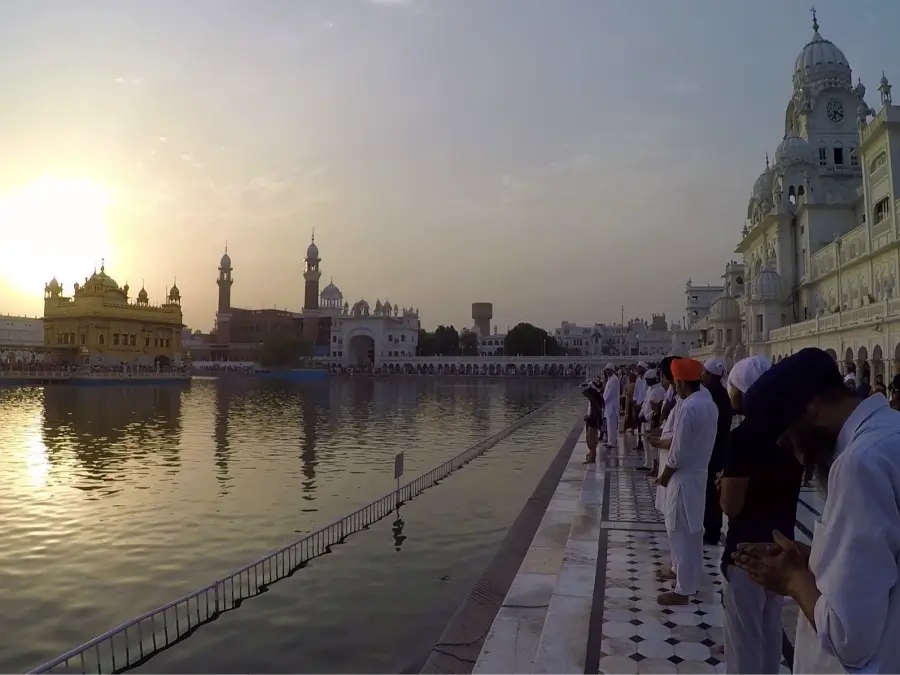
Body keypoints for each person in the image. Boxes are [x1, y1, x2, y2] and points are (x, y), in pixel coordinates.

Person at [733, 347, 900, 674]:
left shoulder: (859, 465)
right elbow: (884, 561)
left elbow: (847, 638)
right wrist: (815, 556)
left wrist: (793, 580)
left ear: (809, 407)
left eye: (787, 439)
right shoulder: (890, 433)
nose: (796, 456)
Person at [719, 355, 803, 675]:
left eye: (734, 389)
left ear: (745, 392)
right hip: (780, 545)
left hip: (746, 553)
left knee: (744, 640)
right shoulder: (790, 434)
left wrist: (723, 487)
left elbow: (732, 506)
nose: (731, 395)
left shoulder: (744, 438)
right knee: (769, 632)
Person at [656, 358, 719, 606]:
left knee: (680, 530)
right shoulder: (708, 403)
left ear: (681, 383)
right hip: (697, 475)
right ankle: (685, 575)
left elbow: (678, 453)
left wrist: (664, 477)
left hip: (682, 478)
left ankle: (683, 589)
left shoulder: (690, 408)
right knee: (691, 530)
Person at [701, 358, 732, 546]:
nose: (702, 376)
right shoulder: (719, 394)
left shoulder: (713, 396)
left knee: (711, 492)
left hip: (714, 449)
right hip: (716, 448)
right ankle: (711, 528)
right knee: (710, 491)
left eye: (705, 373)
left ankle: (711, 532)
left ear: (712, 376)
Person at [638, 368, 666, 474]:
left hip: (652, 420)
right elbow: (646, 403)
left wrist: (648, 416)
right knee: (646, 442)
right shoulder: (649, 389)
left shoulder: (659, 390)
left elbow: (657, 408)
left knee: (653, 445)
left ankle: (655, 466)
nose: (647, 382)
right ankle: (648, 464)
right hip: (645, 419)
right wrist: (640, 414)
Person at [580, 378, 604, 464]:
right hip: (591, 421)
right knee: (589, 438)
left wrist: (589, 417)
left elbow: (596, 414)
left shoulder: (595, 400)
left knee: (592, 439)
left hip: (593, 422)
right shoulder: (592, 399)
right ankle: (591, 453)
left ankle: (593, 457)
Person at [602, 364, 620, 449]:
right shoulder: (610, 379)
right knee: (609, 424)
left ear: (612, 370)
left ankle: (612, 442)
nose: (607, 372)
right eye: (606, 370)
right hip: (608, 405)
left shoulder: (614, 380)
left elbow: (610, 394)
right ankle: (610, 441)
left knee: (611, 424)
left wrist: (603, 400)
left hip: (612, 405)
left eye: (609, 370)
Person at [633, 361, 648, 450]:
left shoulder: (647, 379)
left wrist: (642, 403)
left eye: (640, 367)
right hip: (638, 405)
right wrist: (635, 401)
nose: (638, 369)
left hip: (645, 405)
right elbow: (636, 392)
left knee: (644, 425)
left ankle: (644, 442)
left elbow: (647, 393)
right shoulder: (638, 379)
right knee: (638, 425)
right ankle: (639, 442)